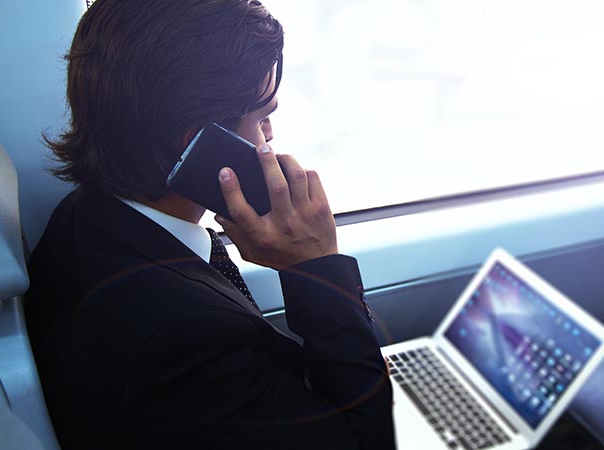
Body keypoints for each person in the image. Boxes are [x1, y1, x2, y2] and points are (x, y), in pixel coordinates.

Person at [24, 1, 395, 449]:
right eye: (261, 118)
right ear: (200, 143)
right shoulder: (190, 339)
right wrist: (316, 267)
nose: (271, 135)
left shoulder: (83, 216)